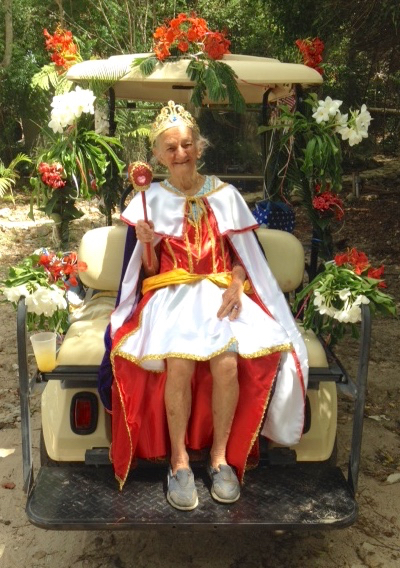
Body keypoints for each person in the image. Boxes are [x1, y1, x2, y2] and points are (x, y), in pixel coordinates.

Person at [107, 100, 308, 511]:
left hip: (220, 292)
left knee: (228, 361)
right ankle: (179, 463)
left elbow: (244, 256)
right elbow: (146, 272)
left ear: (199, 147)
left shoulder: (224, 194)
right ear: (158, 156)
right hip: (172, 292)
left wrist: (237, 285)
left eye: (186, 145)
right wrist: (146, 240)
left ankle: (220, 459)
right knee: (178, 361)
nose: (180, 154)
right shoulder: (151, 198)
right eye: (170, 148)